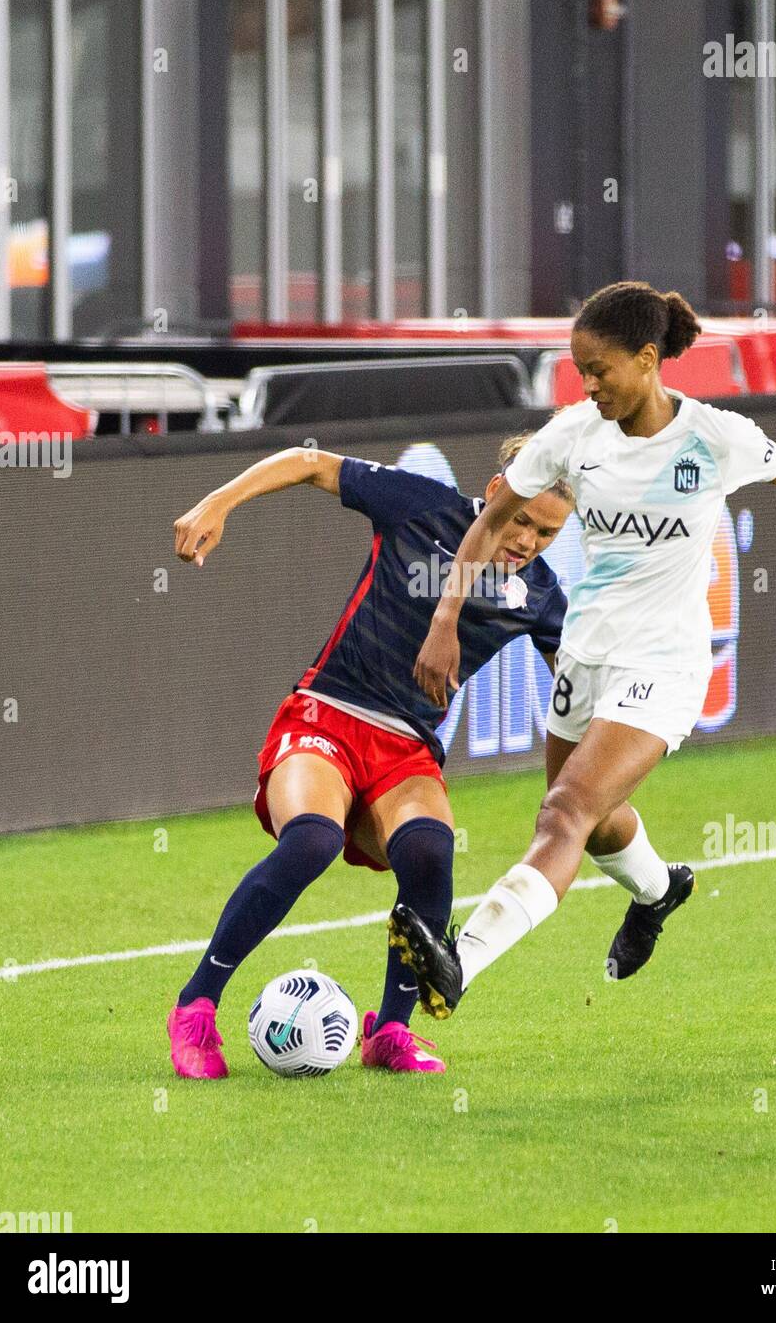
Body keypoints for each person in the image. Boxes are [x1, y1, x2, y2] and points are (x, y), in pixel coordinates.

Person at [389, 280, 776, 1017]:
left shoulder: (712, 437)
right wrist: (444, 620)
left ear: (649, 360)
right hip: (589, 653)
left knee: (563, 813)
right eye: (580, 371)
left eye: (601, 370)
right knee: (588, 825)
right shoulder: (572, 436)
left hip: (666, 665)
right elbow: (491, 521)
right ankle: (660, 891)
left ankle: (463, 960)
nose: (589, 385)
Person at [167, 435, 575, 1076]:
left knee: (430, 853)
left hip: (407, 747)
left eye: (547, 533)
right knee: (310, 841)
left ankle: (389, 1032)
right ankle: (195, 1007)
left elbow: (573, 690)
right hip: (327, 712)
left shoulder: (542, 597)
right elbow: (307, 463)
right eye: (520, 518)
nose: (526, 540)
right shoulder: (422, 507)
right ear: (496, 492)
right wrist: (218, 503)